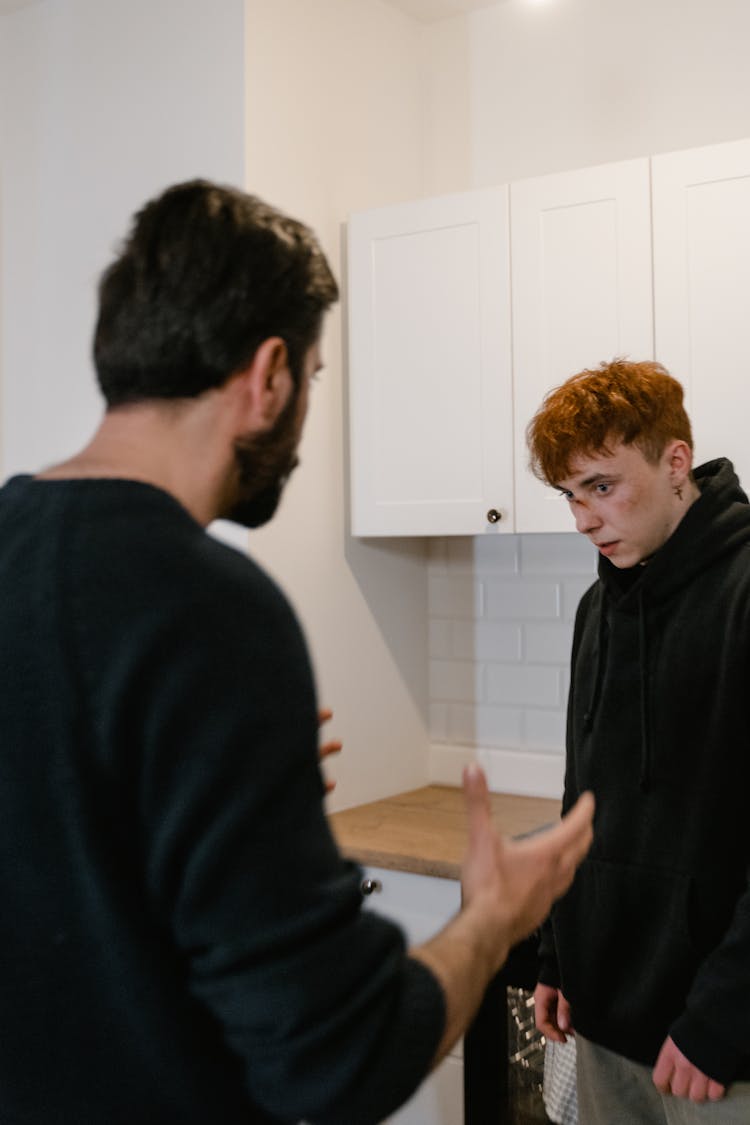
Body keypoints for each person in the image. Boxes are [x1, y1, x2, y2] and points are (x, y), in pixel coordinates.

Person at [0, 178, 594, 1125]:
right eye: (314, 381)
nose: (305, 421)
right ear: (268, 373)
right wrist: (493, 914)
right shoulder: (211, 608)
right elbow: (338, 1058)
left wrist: (226, 797)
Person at [528, 359, 750, 1122]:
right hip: (601, 1013)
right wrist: (558, 955)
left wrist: (724, 1015)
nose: (583, 518)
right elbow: (581, 795)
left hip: (716, 1041)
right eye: (570, 494)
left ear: (676, 462)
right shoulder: (598, 606)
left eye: (601, 485)